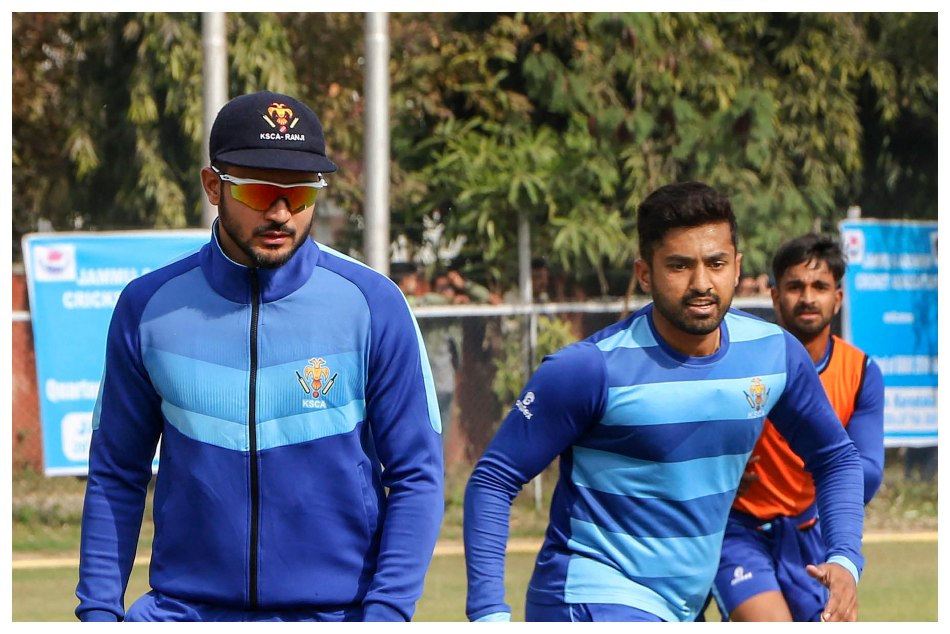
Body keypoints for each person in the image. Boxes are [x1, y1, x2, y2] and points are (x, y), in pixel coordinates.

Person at [75, 90, 445, 622]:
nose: (280, 213)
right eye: (257, 191)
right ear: (213, 186)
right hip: (183, 611)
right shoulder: (148, 306)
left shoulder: (373, 304)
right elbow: (117, 472)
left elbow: (416, 474)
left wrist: (386, 614)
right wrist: (98, 613)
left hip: (338, 616)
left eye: (300, 193)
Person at [462, 181, 866, 623]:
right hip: (591, 596)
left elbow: (836, 458)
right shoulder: (590, 368)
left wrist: (845, 558)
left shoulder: (775, 354)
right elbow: (495, 478)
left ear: (737, 267)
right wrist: (488, 615)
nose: (701, 283)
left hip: (682, 608)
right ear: (645, 273)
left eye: (716, 263)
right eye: (679, 266)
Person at [710, 233, 884, 621]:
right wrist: (719, 467)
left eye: (820, 286)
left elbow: (868, 470)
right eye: (795, 286)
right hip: (739, 529)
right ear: (775, 296)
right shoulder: (744, 359)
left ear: (837, 298)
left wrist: (826, 473)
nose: (807, 297)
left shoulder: (860, 371)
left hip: (810, 531)